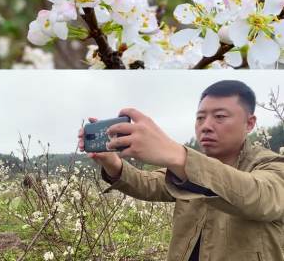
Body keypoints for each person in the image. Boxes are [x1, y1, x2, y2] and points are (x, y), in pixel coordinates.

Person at [77, 80, 284, 261]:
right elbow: (149, 183)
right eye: (200, 118)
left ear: (250, 123)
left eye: (220, 116)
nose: (206, 126)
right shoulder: (186, 169)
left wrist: (176, 154)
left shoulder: (271, 165)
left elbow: (260, 197)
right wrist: (112, 163)